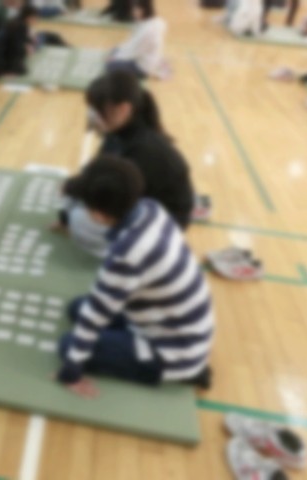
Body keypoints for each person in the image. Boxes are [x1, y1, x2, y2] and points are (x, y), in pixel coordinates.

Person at [55, 156, 214, 396]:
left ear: (98, 215)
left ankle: (187, 371)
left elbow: (95, 317)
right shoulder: (150, 207)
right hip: (179, 323)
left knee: (68, 345)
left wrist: (71, 373)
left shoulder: (127, 254)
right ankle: (135, 341)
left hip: (171, 351)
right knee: (77, 308)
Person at [55, 70, 195, 258]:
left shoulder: (143, 149)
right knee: (73, 197)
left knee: (80, 219)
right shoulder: (119, 132)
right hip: (142, 202)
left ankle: (124, 255)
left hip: (163, 225)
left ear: (122, 109)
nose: (92, 115)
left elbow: (114, 197)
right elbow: (98, 170)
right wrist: (73, 191)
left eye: (97, 109)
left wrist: (75, 206)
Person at [106, 0, 169, 79]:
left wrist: (115, 58)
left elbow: (134, 51)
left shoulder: (148, 30)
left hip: (142, 66)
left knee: (111, 66)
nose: (133, 12)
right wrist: (119, 51)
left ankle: (139, 74)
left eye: (136, 9)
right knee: (115, 50)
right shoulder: (155, 20)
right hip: (143, 55)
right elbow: (132, 43)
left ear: (145, 9)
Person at [0, 5, 38, 80]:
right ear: (29, 17)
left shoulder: (15, 21)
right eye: (34, 18)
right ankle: (3, 71)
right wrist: (25, 49)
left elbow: (19, 40)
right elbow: (14, 49)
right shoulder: (20, 26)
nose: (36, 20)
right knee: (23, 70)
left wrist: (29, 41)